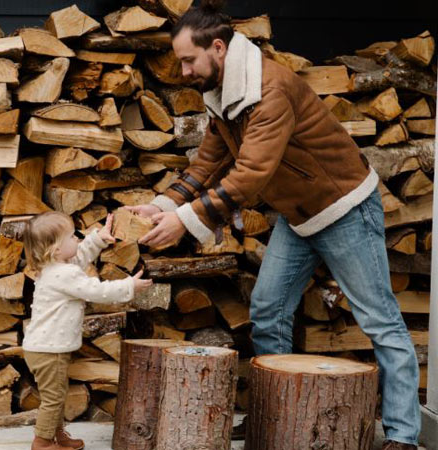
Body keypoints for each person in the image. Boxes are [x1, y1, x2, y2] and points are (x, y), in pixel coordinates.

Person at [126, 1, 421, 448]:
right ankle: (274, 415)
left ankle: (404, 436)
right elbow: (211, 158)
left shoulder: (268, 90)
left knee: (381, 321)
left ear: (218, 48)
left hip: (343, 210)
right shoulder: (224, 88)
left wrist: (185, 221)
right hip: (299, 213)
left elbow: (250, 174)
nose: (183, 71)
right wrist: (164, 202)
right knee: (267, 309)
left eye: (188, 59)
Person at [22, 211, 152, 450]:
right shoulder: (63, 274)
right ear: (55, 249)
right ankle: (42, 443)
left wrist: (99, 239)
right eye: (71, 237)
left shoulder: (56, 266)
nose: (77, 240)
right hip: (48, 351)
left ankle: (57, 435)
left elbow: (79, 257)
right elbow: (96, 291)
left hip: (45, 348)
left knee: (57, 395)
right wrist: (129, 286)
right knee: (53, 398)